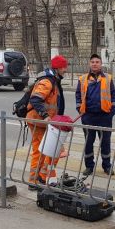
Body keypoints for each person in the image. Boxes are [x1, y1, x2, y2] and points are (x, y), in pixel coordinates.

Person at [26, 54, 68, 190]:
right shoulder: (48, 82)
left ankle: (43, 178)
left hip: (45, 122)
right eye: (63, 67)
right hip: (38, 121)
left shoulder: (54, 80)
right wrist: (45, 115)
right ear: (57, 68)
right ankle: (33, 182)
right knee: (40, 151)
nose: (65, 70)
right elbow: (35, 99)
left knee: (49, 151)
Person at [76, 53, 115, 177]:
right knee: (88, 142)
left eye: (97, 62)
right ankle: (89, 166)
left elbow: (113, 96)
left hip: (104, 116)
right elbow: (78, 95)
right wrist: (80, 109)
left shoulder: (108, 78)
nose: (95, 64)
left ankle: (107, 166)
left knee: (105, 142)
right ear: (90, 64)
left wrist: (111, 112)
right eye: (92, 62)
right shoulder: (83, 79)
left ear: (101, 64)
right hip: (88, 116)